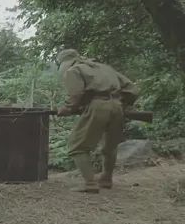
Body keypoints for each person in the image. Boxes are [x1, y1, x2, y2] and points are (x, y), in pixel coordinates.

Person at [55, 49, 140, 193]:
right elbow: (133, 89)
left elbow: (75, 95)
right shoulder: (105, 68)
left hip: (97, 106)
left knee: (77, 147)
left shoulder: (74, 70)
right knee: (110, 145)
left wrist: (66, 108)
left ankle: (90, 183)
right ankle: (106, 179)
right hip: (117, 106)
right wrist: (121, 103)